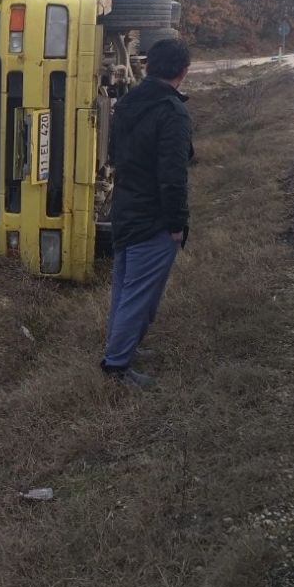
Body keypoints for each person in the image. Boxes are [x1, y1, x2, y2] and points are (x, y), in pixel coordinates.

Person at [101, 38, 193, 390]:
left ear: (150, 66)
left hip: (125, 209)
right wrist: (176, 224)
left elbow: (114, 154)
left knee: (129, 291)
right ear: (183, 72)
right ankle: (117, 368)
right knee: (138, 296)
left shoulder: (126, 103)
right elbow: (173, 176)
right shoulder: (172, 113)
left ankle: (124, 347)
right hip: (153, 219)